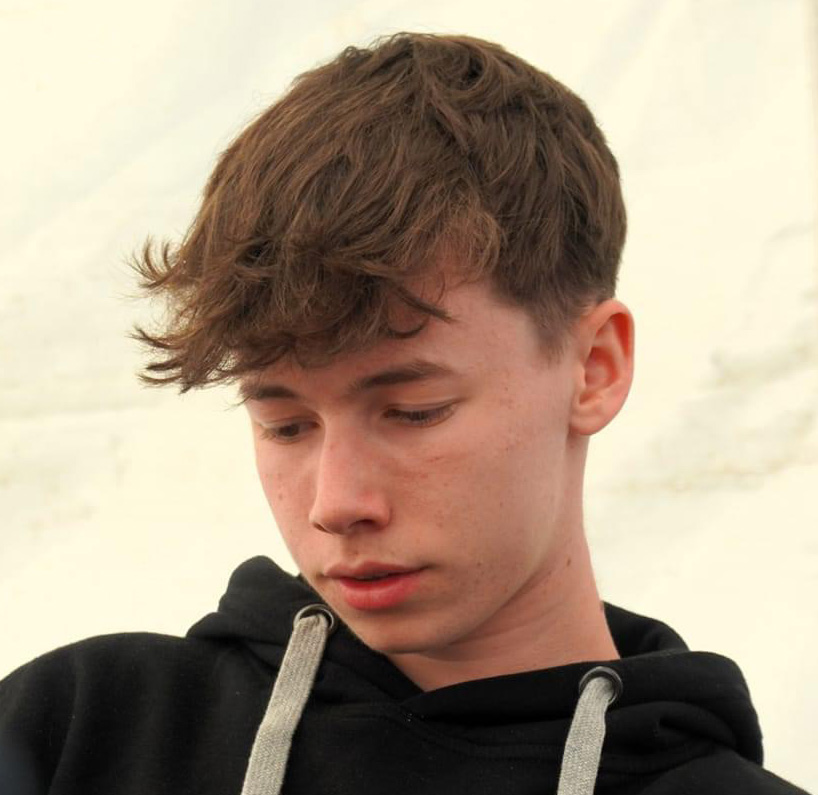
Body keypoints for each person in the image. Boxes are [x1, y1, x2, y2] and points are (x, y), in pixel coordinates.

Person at [0, 31, 808, 795]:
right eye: (285, 424)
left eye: (414, 411)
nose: (336, 503)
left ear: (595, 367)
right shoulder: (79, 733)